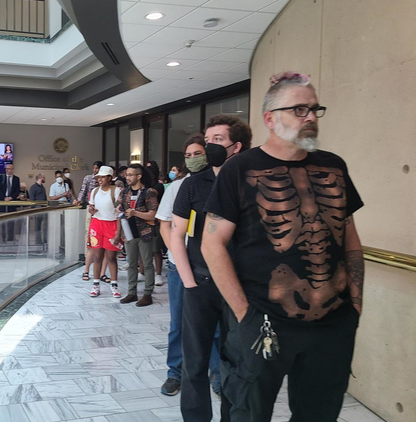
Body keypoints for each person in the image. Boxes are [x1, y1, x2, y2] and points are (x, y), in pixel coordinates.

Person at [202, 72, 364, 422]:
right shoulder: (239, 169)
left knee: (320, 414)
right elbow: (212, 243)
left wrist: (355, 304)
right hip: (264, 321)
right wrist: (243, 313)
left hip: (333, 324)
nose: (310, 117)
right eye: (299, 109)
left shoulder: (334, 166)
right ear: (270, 119)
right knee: (247, 412)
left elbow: (349, 235)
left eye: (314, 109)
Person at [172, 115, 252, 422]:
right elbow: (177, 235)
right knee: (194, 363)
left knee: (235, 362)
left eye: (217, 140)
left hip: (238, 287)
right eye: (207, 140)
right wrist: (189, 281)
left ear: (236, 146)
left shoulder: (250, 183)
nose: (209, 146)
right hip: (200, 284)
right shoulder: (193, 184)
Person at [156, 136, 199, 397]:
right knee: (179, 324)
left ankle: (216, 373)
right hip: (177, 267)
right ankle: (176, 372)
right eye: (189, 155)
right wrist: (176, 253)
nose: (193, 159)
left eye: (199, 153)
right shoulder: (176, 187)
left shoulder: (220, 185)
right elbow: (164, 223)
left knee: (215, 326)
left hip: (210, 267)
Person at [117, 163, 158, 307]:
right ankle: (132, 292)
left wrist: (135, 212)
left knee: (146, 263)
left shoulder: (149, 192)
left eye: (130, 175)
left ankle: (147, 294)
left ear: (139, 176)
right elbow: (119, 209)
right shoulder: (124, 192)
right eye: (126, 175)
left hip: (144, 232)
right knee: (131, 264)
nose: (127, 177)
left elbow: (152, 214)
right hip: (129, 232)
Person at [87, 166, 123, 299]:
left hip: (111, 224)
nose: (100, 179)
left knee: (111, 257)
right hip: (97, 224)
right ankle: (95, 285)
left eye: (102, 177)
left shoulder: (116, 191)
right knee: (97, 257)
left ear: (109, 178)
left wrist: (118, 233)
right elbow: (91, 209)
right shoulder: (95, 191)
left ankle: (114, 285)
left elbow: (120, 213)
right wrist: (91, 211)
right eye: (98, 177)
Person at [75, 161, 102, 280]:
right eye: (94, 168)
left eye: (97, 168)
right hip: (90, 206)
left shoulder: (103, 180)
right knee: (89, 231)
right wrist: (79, 200)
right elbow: (83, 190)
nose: (95, 170)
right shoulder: (88, 178)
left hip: (101, 208)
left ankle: (98, 258)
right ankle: (88, 256)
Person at [146, 162, 165, 286]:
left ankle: (158, 274)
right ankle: (142, 270)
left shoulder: (158, 186)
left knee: (156, 248)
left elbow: (153, 197)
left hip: (156, 220)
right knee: (144, 249)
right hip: (143, 220)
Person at [0, 163, 20, 242]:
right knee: (3, 221)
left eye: (11, 169)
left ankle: (10, 238)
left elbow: (17, 190)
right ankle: (3, 238)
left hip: (12, 202)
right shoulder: (1, 177)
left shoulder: (16, 179)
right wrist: (4, 198)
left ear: (13, 170)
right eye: (8, 169)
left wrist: (11, 197)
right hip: (3, 202)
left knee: (11, 221)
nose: (9, 171)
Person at [29, 173, 48, 245]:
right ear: (41, 178)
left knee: (45, 225)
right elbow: (32, 199)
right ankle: (38, 241)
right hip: (38, 208)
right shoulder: (33, 187)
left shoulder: (42, 187)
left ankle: (45, 240)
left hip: (44, 208)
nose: (45, 179)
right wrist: (33, 210)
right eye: (44, 177)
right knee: (38, 226)